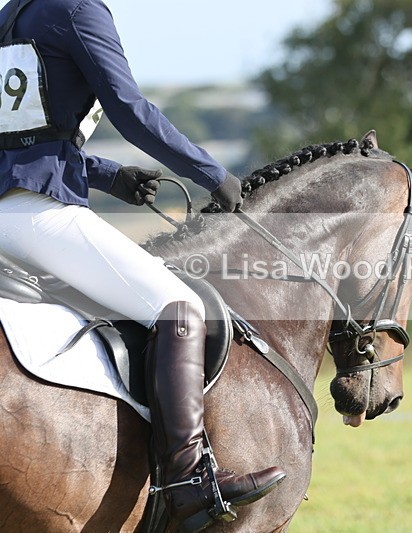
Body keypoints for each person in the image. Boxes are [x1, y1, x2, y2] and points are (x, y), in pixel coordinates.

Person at [0, 0, 285, 530]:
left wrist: (111, 177)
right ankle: (188, 480)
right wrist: (211, 173)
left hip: (5, 215)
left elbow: (18, 140)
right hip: (40, 214)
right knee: (179, 306)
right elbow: (130, 110)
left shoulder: (10, 16)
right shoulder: (77, 9)